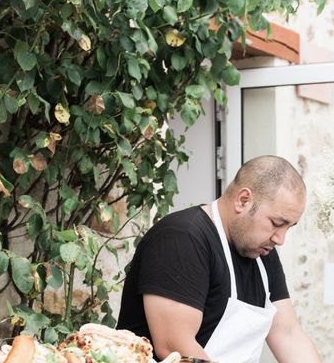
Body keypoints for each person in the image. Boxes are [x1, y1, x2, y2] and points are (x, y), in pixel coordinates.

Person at [117, 155, 321, 363]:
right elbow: (174, 347)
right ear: (243, 200)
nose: (280, 239)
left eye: (288, 228)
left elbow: (288, 335)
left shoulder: (262, 252)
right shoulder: (181, 238)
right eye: (276, 223)